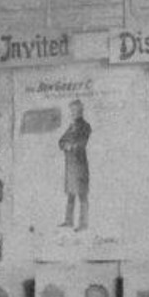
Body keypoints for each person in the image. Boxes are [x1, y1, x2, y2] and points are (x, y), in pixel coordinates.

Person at [59, 98, 91, 232]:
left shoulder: (85, 126)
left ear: (80, 110)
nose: (72, 113)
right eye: (71, 110)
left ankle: (83, 224)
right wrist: (65, 145)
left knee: (82, 194)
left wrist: (70, 146)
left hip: (79, 165)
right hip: (70, 166)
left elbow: (81, 143)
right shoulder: (71, 126)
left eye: (74, 110)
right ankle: (69, 221)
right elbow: (61, 141)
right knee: (71, 194)